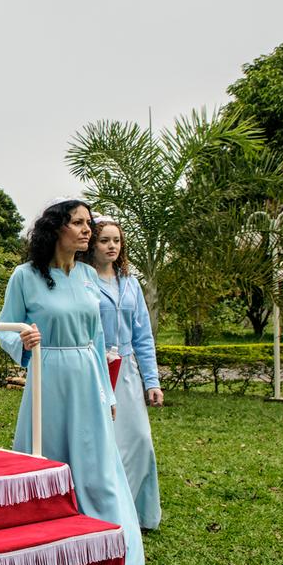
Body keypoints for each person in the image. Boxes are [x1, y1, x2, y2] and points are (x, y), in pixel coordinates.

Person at [0, 200, 162, 565]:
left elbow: (100, 340)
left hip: (88, 379)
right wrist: (23, 340)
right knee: (46, 469)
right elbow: (6, 327)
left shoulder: (90, 276)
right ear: (56, 229)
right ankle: (40, 562)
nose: (87, 230)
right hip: (48, 379)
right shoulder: (25, 276)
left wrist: (106, 394)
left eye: (89, 223)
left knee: (102, 473)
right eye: (78, 223)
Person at [78, 216, 163, 530]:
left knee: (139, 439)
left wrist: (151, 381)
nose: (111, 246)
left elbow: (143, 336)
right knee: (103, 442)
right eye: (104, 240)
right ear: (92, 245)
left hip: (126, 370)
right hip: (94, 367)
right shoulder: (83, 280)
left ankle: (136, 513)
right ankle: (104, 511)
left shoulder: (130, 282)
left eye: (116, 240)